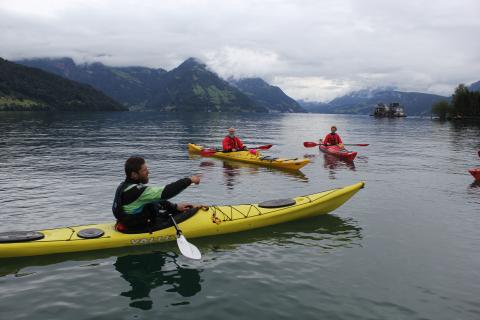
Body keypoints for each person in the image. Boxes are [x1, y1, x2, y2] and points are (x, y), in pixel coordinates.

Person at [112, 156, 201, 233]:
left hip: (127, 224)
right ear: (134, 174)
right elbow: (166, 192)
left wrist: (175, 207)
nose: (148, 172)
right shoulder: (137, 191)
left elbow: (153, 199)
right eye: (144, 170)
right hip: (137, 229)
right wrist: (189, 180)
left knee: (173, 210)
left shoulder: (124, 186)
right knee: (192, 211)